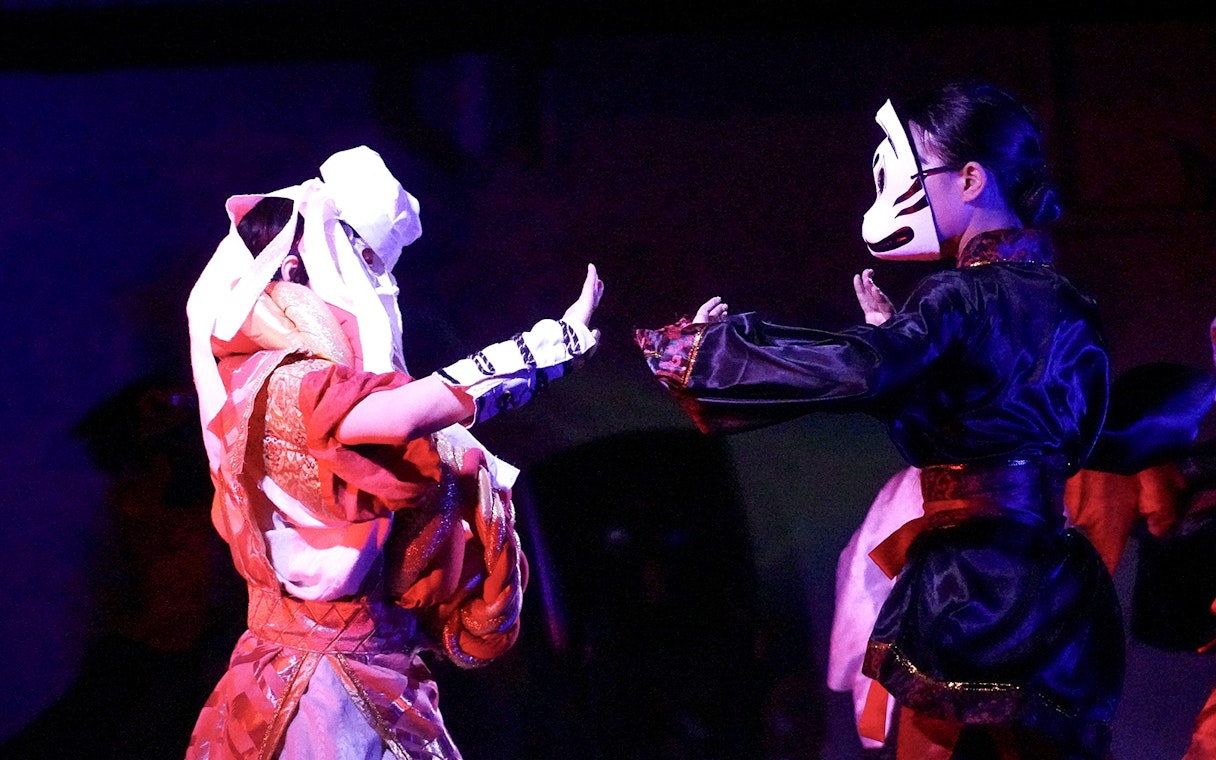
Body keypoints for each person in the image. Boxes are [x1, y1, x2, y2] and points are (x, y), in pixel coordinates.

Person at [635, 82, 1123, 759]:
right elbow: (1053, 431)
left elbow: (862, 368)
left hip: (971, 587)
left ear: (971, 178)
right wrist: (910, 362)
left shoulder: (958, 298)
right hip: (1055, 586)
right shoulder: (1070, 304)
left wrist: (715, 353)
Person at [184, 145, 603, 760]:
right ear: (296, 265)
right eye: (357, 259)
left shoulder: (314, 380)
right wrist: (540, 349)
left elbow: (412, 421)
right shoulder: (272, 381)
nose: (371, 285)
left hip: (379, 681)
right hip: (318, 698)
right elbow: (396, 415)